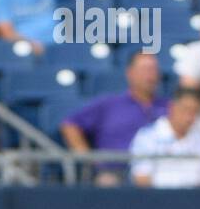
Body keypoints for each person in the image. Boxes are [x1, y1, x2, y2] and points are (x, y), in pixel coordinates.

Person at [60, 51, 167, 183]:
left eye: (153, 69)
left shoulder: (169, 107)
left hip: (159, 172)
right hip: (114, 173)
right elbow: (70, 124)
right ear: (130, 73)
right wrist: (88, 159)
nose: (150, 75)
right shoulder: (109, 104)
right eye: (145, 69)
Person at [130, 88, 200, 184]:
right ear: (172, 107)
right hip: (158, 197)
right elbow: (141, 178)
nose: (190, 116)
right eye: (186, 109)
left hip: (195, 196)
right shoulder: (147, 137)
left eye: (195, 111)